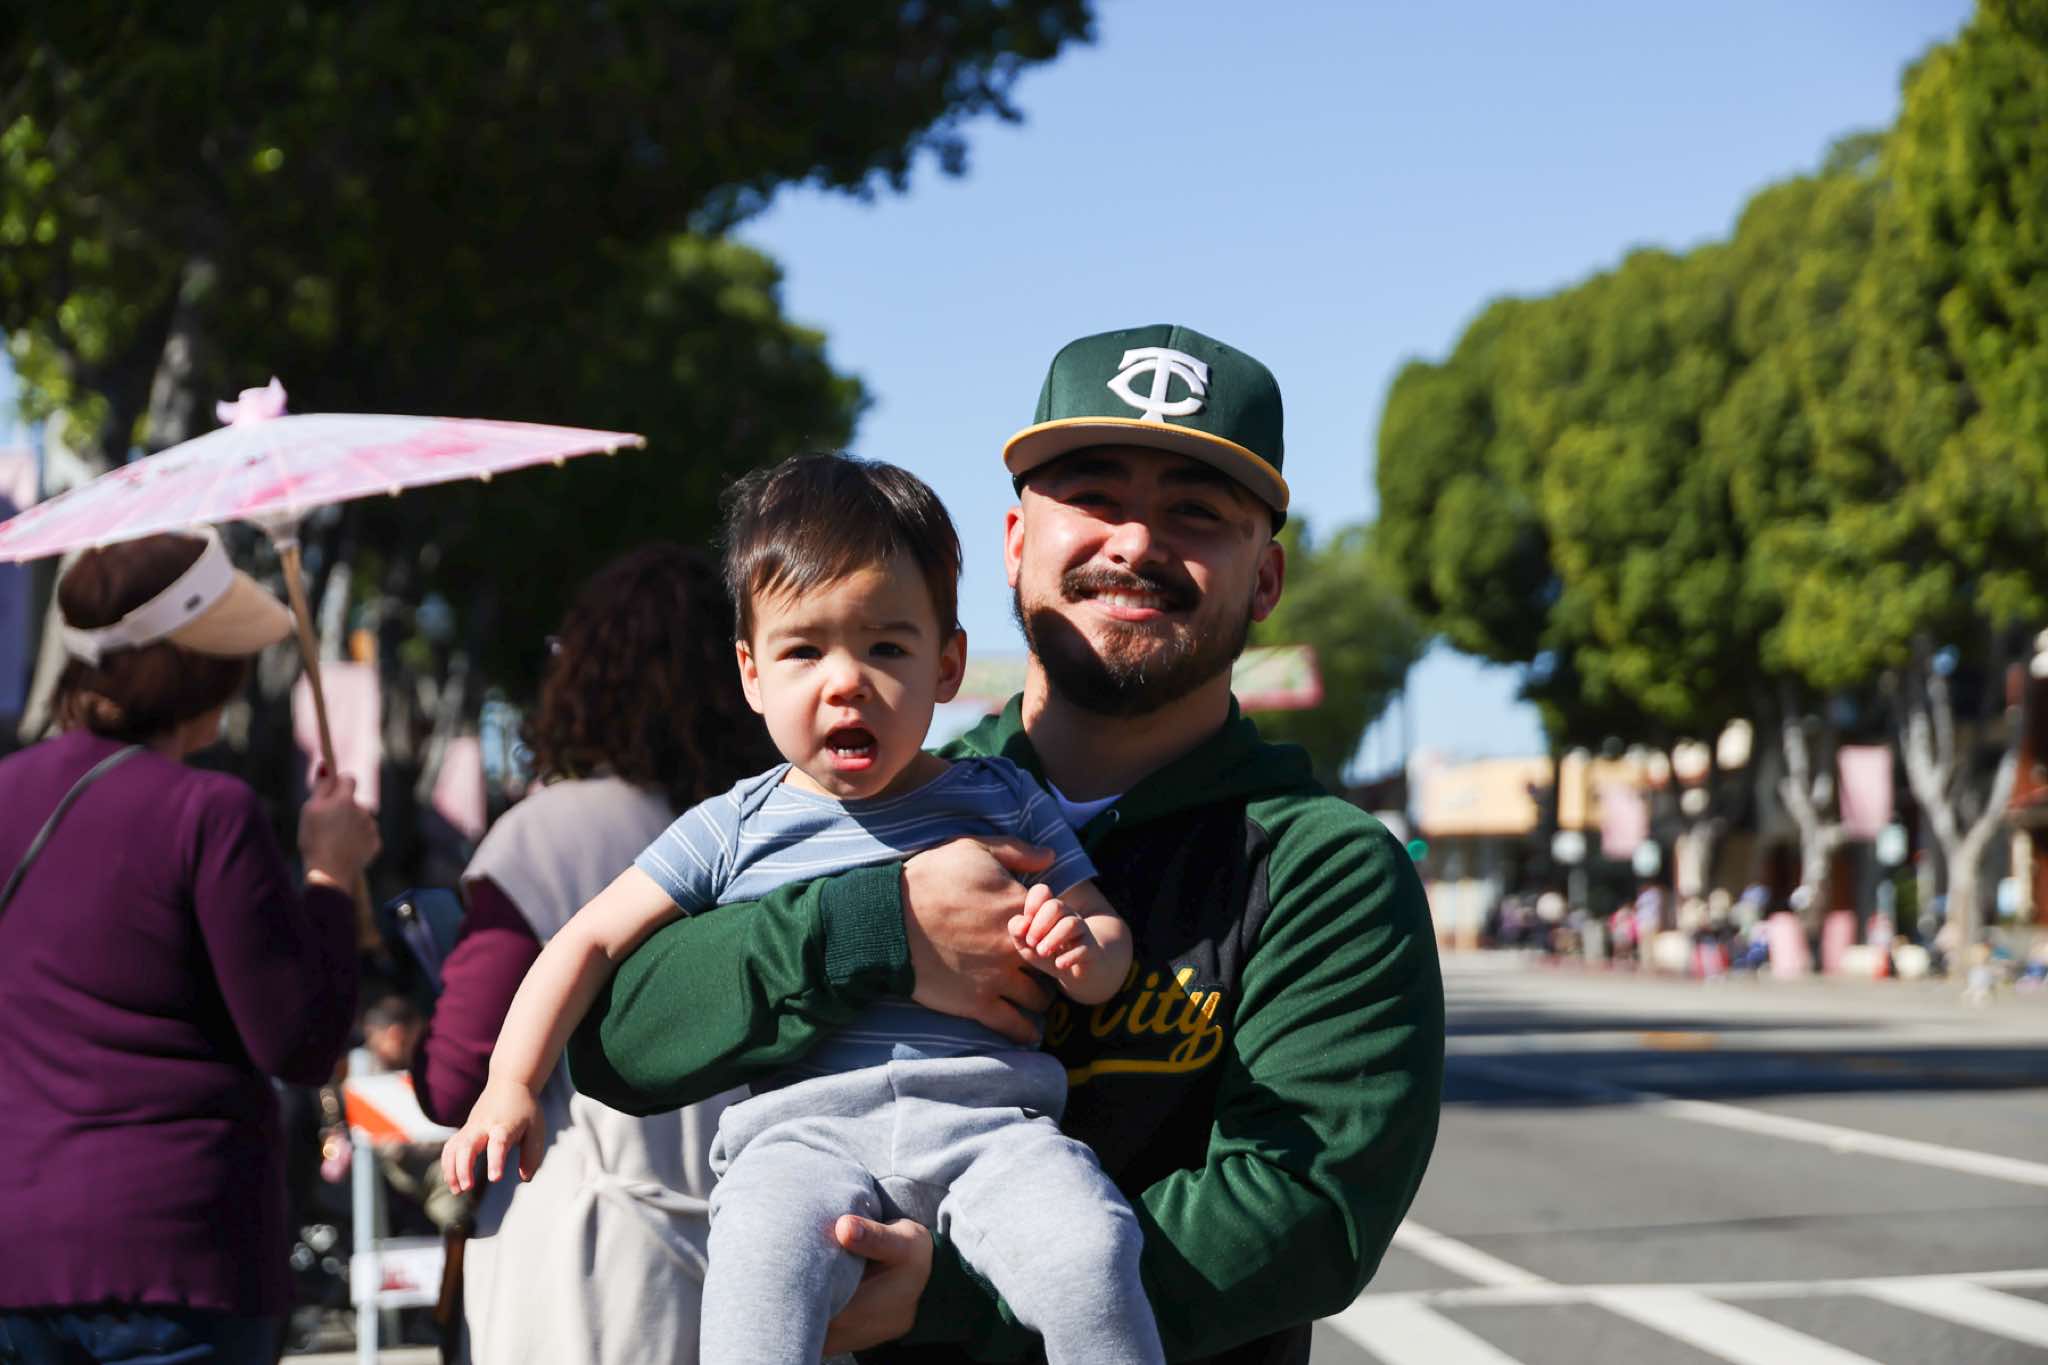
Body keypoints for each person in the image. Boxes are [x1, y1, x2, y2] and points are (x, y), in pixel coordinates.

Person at [569, 324, 1446, 1363]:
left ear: (1265, 579)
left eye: (1196, 513)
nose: (1134, 542)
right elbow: (616, 1045)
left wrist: (952, 1300)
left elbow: (1308, 1212)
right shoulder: (864, 794)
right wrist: (878, 926)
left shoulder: (1322, 866)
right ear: (1015, 543)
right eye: (1094, 496)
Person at [444, 457, 1165, 1365]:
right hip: (800, 1140)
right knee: (757, 1271)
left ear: (947, 664)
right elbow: (586, 938)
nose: (846, 681)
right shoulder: (731, 825)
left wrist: (1082, 950)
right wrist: (510, 1081)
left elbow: (1104, 935)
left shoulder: (1002, 795)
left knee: (1090, 1250)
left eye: (886, 648)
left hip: (991, 1128)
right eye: (803, 650)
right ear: (750, 672)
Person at [0, 529, 378, 1364]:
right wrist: (329, 876)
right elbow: (299, 1040)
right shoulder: (209, 812)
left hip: (17, 1254)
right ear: (196, 670)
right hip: (178, 1257)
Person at [406, 544, 776, 1365]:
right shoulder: (773, 834)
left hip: (590, 1267)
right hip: (761, 1258)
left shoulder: (546, 835)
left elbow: (455, 1077)